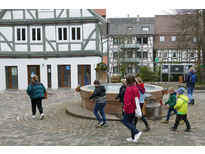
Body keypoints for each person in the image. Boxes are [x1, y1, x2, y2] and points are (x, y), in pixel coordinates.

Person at [122, 75, 142, 143]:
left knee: (125, 121)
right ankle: (133, 138)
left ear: (127, 81)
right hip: (134, 108)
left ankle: (137, 132)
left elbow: (127, 101)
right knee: (131, 123)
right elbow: (138, 97)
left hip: (129, 108)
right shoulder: (135, 88)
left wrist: (125, 108)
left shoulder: (128, 88)